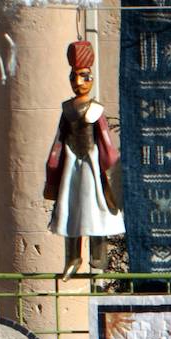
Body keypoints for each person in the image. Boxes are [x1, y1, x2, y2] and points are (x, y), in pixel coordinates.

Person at [44, 40, 124, 278]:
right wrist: (52, 169)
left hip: (91, 166)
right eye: (74, 77)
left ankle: (99, 259)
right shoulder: (67, 109)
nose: (78, 82)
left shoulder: (96, 110)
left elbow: (106, 142)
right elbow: (59, 140)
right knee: (71, 210)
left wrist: (111, 172)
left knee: (96, 209)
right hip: (72, 165)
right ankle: (73, 257)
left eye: (84, 76)